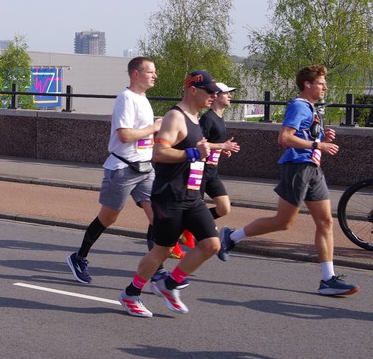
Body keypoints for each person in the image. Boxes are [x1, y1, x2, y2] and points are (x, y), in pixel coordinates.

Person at [218, 65, 358, 297]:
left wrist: (322, 137)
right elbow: (284, 138)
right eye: (321, 83)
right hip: (297, 167)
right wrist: (318, 144)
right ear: (307, 85)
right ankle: (231, 237)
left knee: (326, 222)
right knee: (283, 222)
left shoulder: (311, 108)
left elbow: (304, 135)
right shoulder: (299, 106)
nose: (325, 87)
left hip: (313, 168)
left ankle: (328, 279)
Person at [117, 71, 224, 318]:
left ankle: (169, 283)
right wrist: (193, 154)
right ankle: (131, 294)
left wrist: (208, 150)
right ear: (193, 90)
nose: (214, 95)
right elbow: (159, 153)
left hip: (192, 195)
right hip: (170, 196)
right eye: (210, 91)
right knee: (162, 250)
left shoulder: (195, 118)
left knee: (211, 244)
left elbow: (194, 150)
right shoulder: (175, 116)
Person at [66, 57, 161, 284]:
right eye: (150, 71)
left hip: (145, 169)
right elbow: (124, 135)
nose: (155, 75)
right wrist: (154, 127)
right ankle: (79, 257)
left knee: (158, 217)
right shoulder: (125, 98)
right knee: (108, 218)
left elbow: (142, 135)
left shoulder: (143, 99)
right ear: (135, 74)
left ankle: (158, 270)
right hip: (123, 168)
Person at [200, 82, 242, 253]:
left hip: (212, 172)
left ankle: (194, 224)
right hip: (200, 172)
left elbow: (213, 144)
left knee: (224, 207)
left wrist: (222, 149)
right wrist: (222, 146)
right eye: (226, 93)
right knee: (193, 208)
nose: (230, 96)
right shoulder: (207, 118)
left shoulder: (219, 118)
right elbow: (199, 143)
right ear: (216, 96)